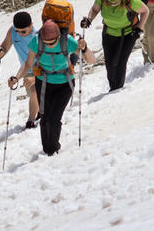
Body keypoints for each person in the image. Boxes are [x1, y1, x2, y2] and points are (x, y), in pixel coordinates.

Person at [8, 19, 95, 156]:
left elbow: (91, 60)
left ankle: (53, 150)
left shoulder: (68, 41)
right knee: (45, 118)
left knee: (54, 118)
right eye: (46, 42)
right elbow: (28, 63)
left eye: (52, 42)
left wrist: (84, 48)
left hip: (65, 84)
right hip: (44, 83)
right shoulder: (36, 42)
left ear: (59, 36)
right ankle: (47, 151)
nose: (48, 45)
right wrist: (17, 77)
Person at [80, 0, 148, 91]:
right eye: (110, 3)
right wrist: (89, 19)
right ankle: (113, 87)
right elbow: (95, 9)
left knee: (121, 63)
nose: (112, 4)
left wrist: (139, 29)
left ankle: (117, 90)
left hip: (128, 34)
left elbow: (145, 11)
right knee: (110, 64)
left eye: (115, 3)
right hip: (108, 33)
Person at [0, 11, 40, 128]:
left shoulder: (38, 36)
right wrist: (0, 52)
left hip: (42, 69)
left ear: (31, 25)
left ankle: (31, 120)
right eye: (17, 31)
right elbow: (4, 46)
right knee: (34, 96)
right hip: (26, 69)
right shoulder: (12, 32)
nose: (20, 34)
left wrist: (35, 77)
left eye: (23, 31)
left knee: (35, 93)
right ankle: (40, 112)